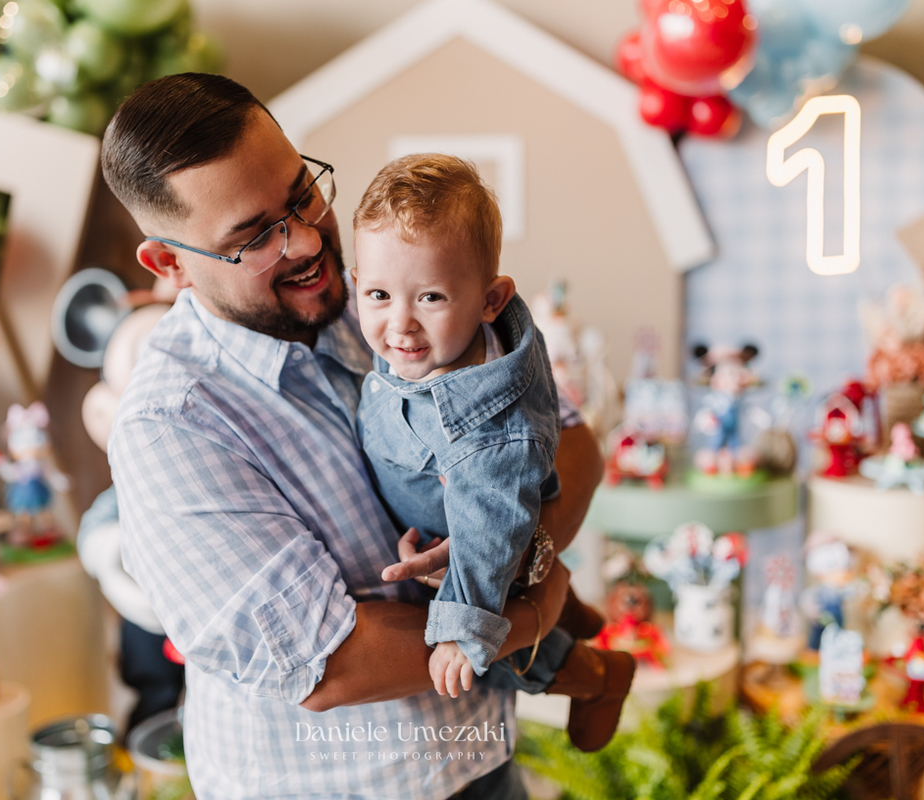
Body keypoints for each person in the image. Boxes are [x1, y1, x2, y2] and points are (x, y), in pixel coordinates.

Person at [102, 72, 603, 800]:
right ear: (170, 263)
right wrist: (529, 610)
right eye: (256, 236)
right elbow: (332, 663)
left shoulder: (383, 291)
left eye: (302, 193)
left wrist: (528, 550)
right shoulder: (170, 427)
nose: (308, 240)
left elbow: (571, 441)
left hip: (480, 760)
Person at [352, 154, 633, 751]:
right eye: (377, 294)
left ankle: (597, 678)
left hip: (476, 540)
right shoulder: (433, 343)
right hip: (449, 509)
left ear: (491, 299)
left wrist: (463, 628)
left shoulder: (490, 436)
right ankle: (570, 606)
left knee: (486, 648)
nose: (400, 325)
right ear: (359, 282)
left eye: (430, 297)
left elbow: (486, 535)